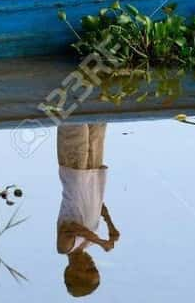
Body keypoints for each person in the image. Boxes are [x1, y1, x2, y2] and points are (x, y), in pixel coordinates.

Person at [56, 123, 119, 297]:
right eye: (95, 268)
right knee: (97, 120)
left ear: (71, 272)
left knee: (75, 122)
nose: (92, 264)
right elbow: (97, 204)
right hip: (93, 174)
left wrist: (100, 241)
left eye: (89, 269)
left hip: (74, 170)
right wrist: (111, 226)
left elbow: (72, 228)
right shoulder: (89, 243)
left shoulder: (64, 248)